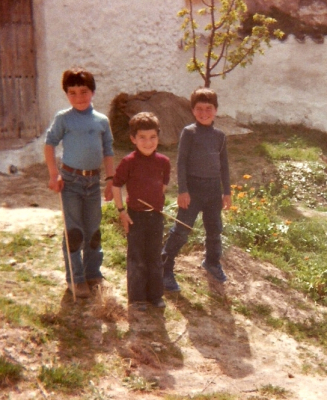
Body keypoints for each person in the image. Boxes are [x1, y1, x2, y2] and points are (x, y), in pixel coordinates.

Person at [44, 67, 114, 298]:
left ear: (92, 92)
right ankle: (76, 278)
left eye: (83, 92)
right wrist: (54, 174)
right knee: (74, 232)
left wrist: (111, 180)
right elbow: (49, 143)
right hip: (71, 182)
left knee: (93, 231)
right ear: (66, 94)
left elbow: (108, 150)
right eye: (72, 93)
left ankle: (93, 272)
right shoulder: (63, 118)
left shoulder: (101, 121)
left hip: (93, 183)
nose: (78, 98)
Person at [161, 87, 232, 292]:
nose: (204, 113)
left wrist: (226, 191)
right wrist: (183, 190)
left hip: (212, 190)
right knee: (182, 230)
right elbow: (181, 163)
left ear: (216, 110)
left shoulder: (220, 136)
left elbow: (224, 165)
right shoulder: (189, 132)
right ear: (193, 110)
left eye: (208, 108)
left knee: (214, 229)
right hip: (192, 189)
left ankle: (211, 262)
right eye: (199, 109)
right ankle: (165, 267)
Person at [112, 112, 170, 311]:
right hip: (135, 216)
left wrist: (156, 204)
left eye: (152, 137)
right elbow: (115, 186)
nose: (148, 142)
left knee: (154, 256)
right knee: (137, 257)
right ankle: (137, 298)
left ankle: (155, 296)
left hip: (156, 216)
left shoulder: (164, 162)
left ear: (158, 137)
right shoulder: (128, 162)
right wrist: (122, 211)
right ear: (133, 139)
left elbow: (163, 186)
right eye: (142, 138)